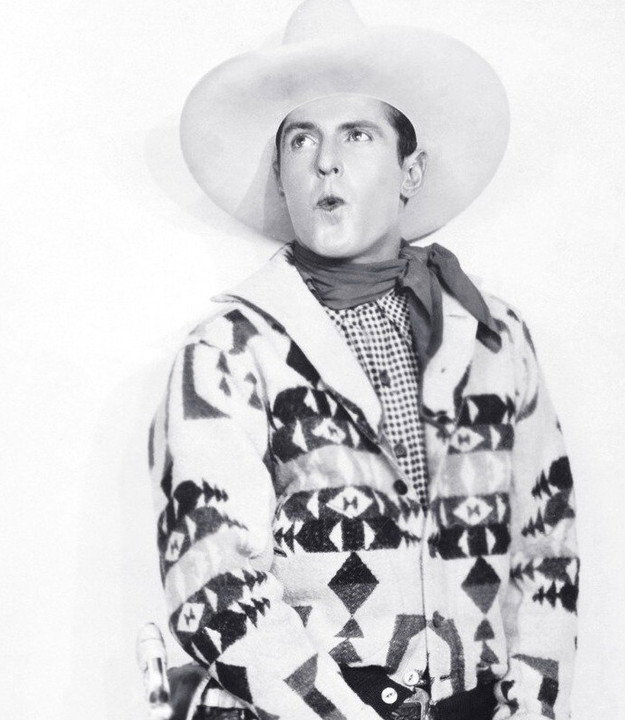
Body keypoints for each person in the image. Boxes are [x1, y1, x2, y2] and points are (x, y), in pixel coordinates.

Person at [148, 1, 579, 718]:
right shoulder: (231, 352)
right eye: (300, 140)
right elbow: (211, 579)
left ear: (412, 171)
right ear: (282, 178)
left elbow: (547, 546)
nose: (326, 161)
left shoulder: (493, 338)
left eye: (357, 134)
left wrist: (530, 706)